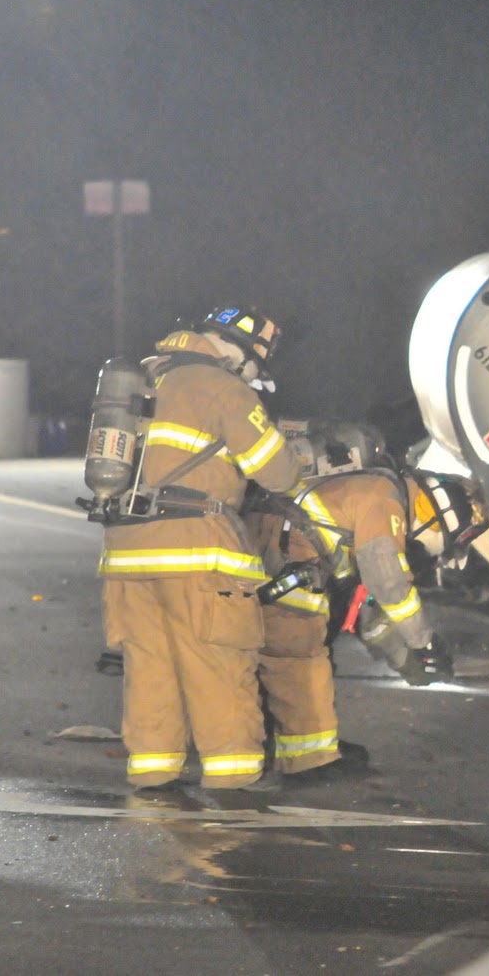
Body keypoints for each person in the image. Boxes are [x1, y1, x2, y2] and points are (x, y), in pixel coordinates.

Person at [96, 306, 303, 792]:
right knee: (220, 663)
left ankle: (154, 770)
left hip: (126, 552)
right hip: (198, 552)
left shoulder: (142, 377)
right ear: (241, 352)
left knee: (150, 667)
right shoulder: (222, 386)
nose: (252, 375)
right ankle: (234, 780)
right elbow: (279, 474)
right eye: (255, 366)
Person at [246, 446, 487, 782]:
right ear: (437, 516)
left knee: (306, 650)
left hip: (285, 553)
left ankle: (297, 747)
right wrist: (424, 642)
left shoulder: (381, 495)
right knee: (297, 653)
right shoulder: (385, 500)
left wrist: (409, 663)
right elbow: (389, 585)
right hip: (287, 556)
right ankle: (308, 760)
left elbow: (368, 612)